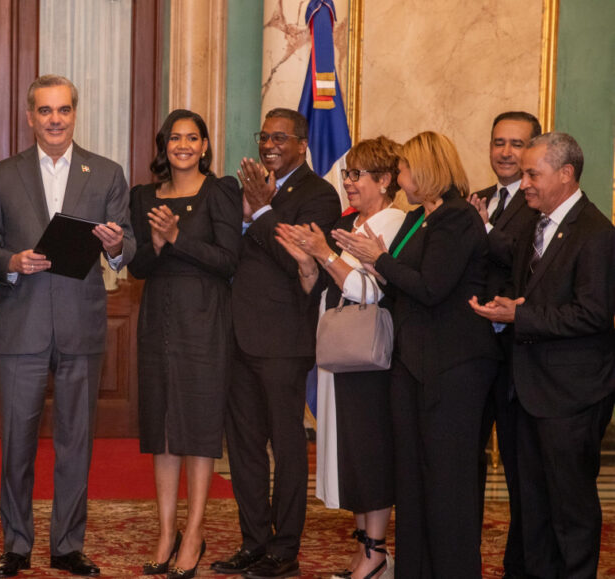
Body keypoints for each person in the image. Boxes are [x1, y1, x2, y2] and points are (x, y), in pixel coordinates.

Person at [0, 74, 135, 578]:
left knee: (76, 442)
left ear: (74, 114)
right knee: (17, 444)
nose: (55, 119)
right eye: (45, 111)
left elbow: (127, 244)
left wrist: (114, 245)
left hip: (81, 328)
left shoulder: (107, 173)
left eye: (63, 110)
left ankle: (68, 545)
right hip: (20, 327)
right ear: (30, 117)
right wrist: (10, 261)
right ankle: (16, 544)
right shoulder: (2, 174)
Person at [336, 131, 500, 577]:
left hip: (455, 366)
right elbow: (399, 284)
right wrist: (370, 263)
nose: (399, 177)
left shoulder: (458, 218)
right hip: (413, 363)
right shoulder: (415, 219)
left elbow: (431, 287)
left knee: (447, 481)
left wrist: (379, 259)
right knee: (411, 478)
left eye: (404, 169)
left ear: (425, 170)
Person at [469, 132, 615, 577]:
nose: (524, 181)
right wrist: (502, 309)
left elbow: (593, 314)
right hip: (527, 389)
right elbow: (523, 293)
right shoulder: (536, 223)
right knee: (531, 508)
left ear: (566, 175)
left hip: (572, 395)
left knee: (569, 510)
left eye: (534, 173)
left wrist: (522, 315)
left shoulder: (597, 234)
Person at [213, 108, 339, 579]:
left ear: (302, 144)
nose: (269, 144)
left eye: (280, 137)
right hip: (237, 335)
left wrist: (261, 212)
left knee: (286, 448)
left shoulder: (320, 195)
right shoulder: (247, 189)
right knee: (243, 448)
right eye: (264, 136)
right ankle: (254, 543)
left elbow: (299, 263)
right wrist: (251, 213)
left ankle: (285, 550)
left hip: (284, 340)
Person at [275, 137, 407, 579]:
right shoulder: (349, 221)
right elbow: (328, 290)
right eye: (346, 173)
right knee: (349, 454)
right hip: (338, 350)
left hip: (369, 359)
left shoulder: (393, 223)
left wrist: (325, 254)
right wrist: (308, 264)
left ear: (385, 180)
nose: (347, 182)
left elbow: (370, 291)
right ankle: (365, 550)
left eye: (357, 175)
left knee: (369, 455)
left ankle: (376, 553)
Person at [127, 110, 241, 579]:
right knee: (163, 427)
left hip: (206, 319)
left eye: (193, 138)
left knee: (197, 426)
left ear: (205, 145)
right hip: (158, 320)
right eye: (175, 137)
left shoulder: (221, 190)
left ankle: (194, 532)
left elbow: (229, 259)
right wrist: (154, 246)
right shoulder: (143, 196)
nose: (184, 145)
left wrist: (175, 238)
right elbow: (136, 268)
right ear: (164, 144)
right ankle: (165, 532)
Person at [467, 111, 541, 579]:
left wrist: (484, 230)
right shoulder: (480, 197)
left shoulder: (540, 200)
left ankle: (520, 566)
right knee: (466, 463)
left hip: (522, 356)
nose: (506, 153)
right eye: (499, 142)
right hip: (475, 354)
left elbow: (519, 257)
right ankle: (460, 558)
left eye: (517, 144)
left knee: (521, 471)